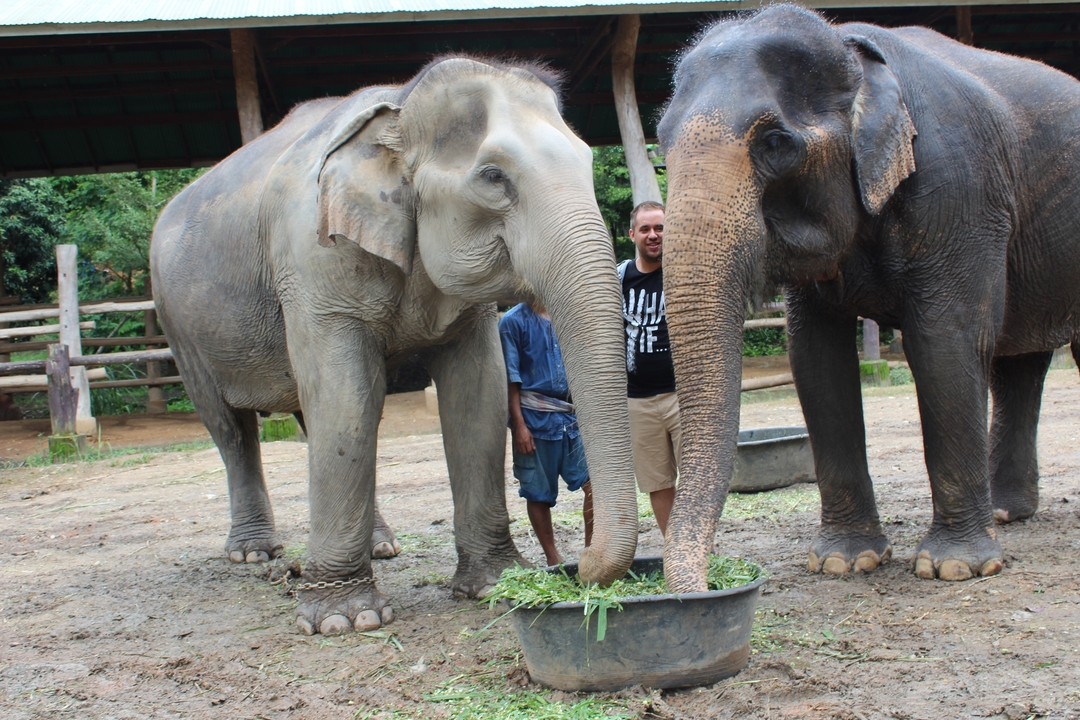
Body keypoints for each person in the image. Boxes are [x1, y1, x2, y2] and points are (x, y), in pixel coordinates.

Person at [499, 301, 594, 566]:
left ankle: (592, 551)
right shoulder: (512, 321)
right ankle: (553, 558)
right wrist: (519, 426)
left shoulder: (568, 314)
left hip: (573, 417)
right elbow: (510, 378)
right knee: (538, 493)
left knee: (595, 485)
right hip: (534, 419)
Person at [620, 200, 681, 536]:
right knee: (657, 482)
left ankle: (697, 545)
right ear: (633, 234)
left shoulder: (684, 273)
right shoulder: (618, 278)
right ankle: (674, 547)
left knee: (697, 476)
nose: (654, 235)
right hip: (638, 401)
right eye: (646, 229)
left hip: (682, 395)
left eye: (660, 227)